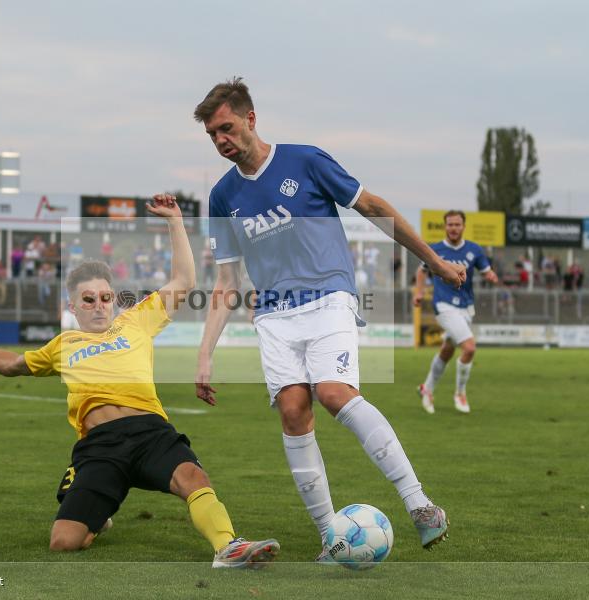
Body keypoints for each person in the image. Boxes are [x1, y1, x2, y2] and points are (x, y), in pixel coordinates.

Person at [0, 194, 279, 568]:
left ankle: (228, 547)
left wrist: (175, 220)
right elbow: (12, 364)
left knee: (193, 476)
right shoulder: (63, 345)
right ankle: (96, 515)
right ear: (72, 306)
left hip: (150, 433)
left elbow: (184, 279)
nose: (99, 305)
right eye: (89, 299)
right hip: (99, 447)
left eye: (105, 297)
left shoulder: (137, 320)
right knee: (64, 542)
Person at [192, 77, 465, 560]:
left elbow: (374, 208)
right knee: (294, 411)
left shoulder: (307, 161)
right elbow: (226, 283)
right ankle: (329, 536)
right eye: (213, 135)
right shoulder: (222, 198)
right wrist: (204, 356)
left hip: (327, 297)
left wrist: (436, 262)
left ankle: (421, 505)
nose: (221, 141)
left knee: (334, 393)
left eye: (227, 128)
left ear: (251, 119)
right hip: (274, 316)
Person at [414, 210, 499, 414]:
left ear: (463, 226)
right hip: (443, 306)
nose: (453, 228)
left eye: (457, 224)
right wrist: (419, 292)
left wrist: (491, 276)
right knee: (469, 348)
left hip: (466, 308)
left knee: (447, 350)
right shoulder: (434, 249)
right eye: (450, 224)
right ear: (445, 227)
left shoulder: (474, 250)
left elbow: (486, 270)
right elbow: (421, 270)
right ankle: (460, 393)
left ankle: (427, 389)